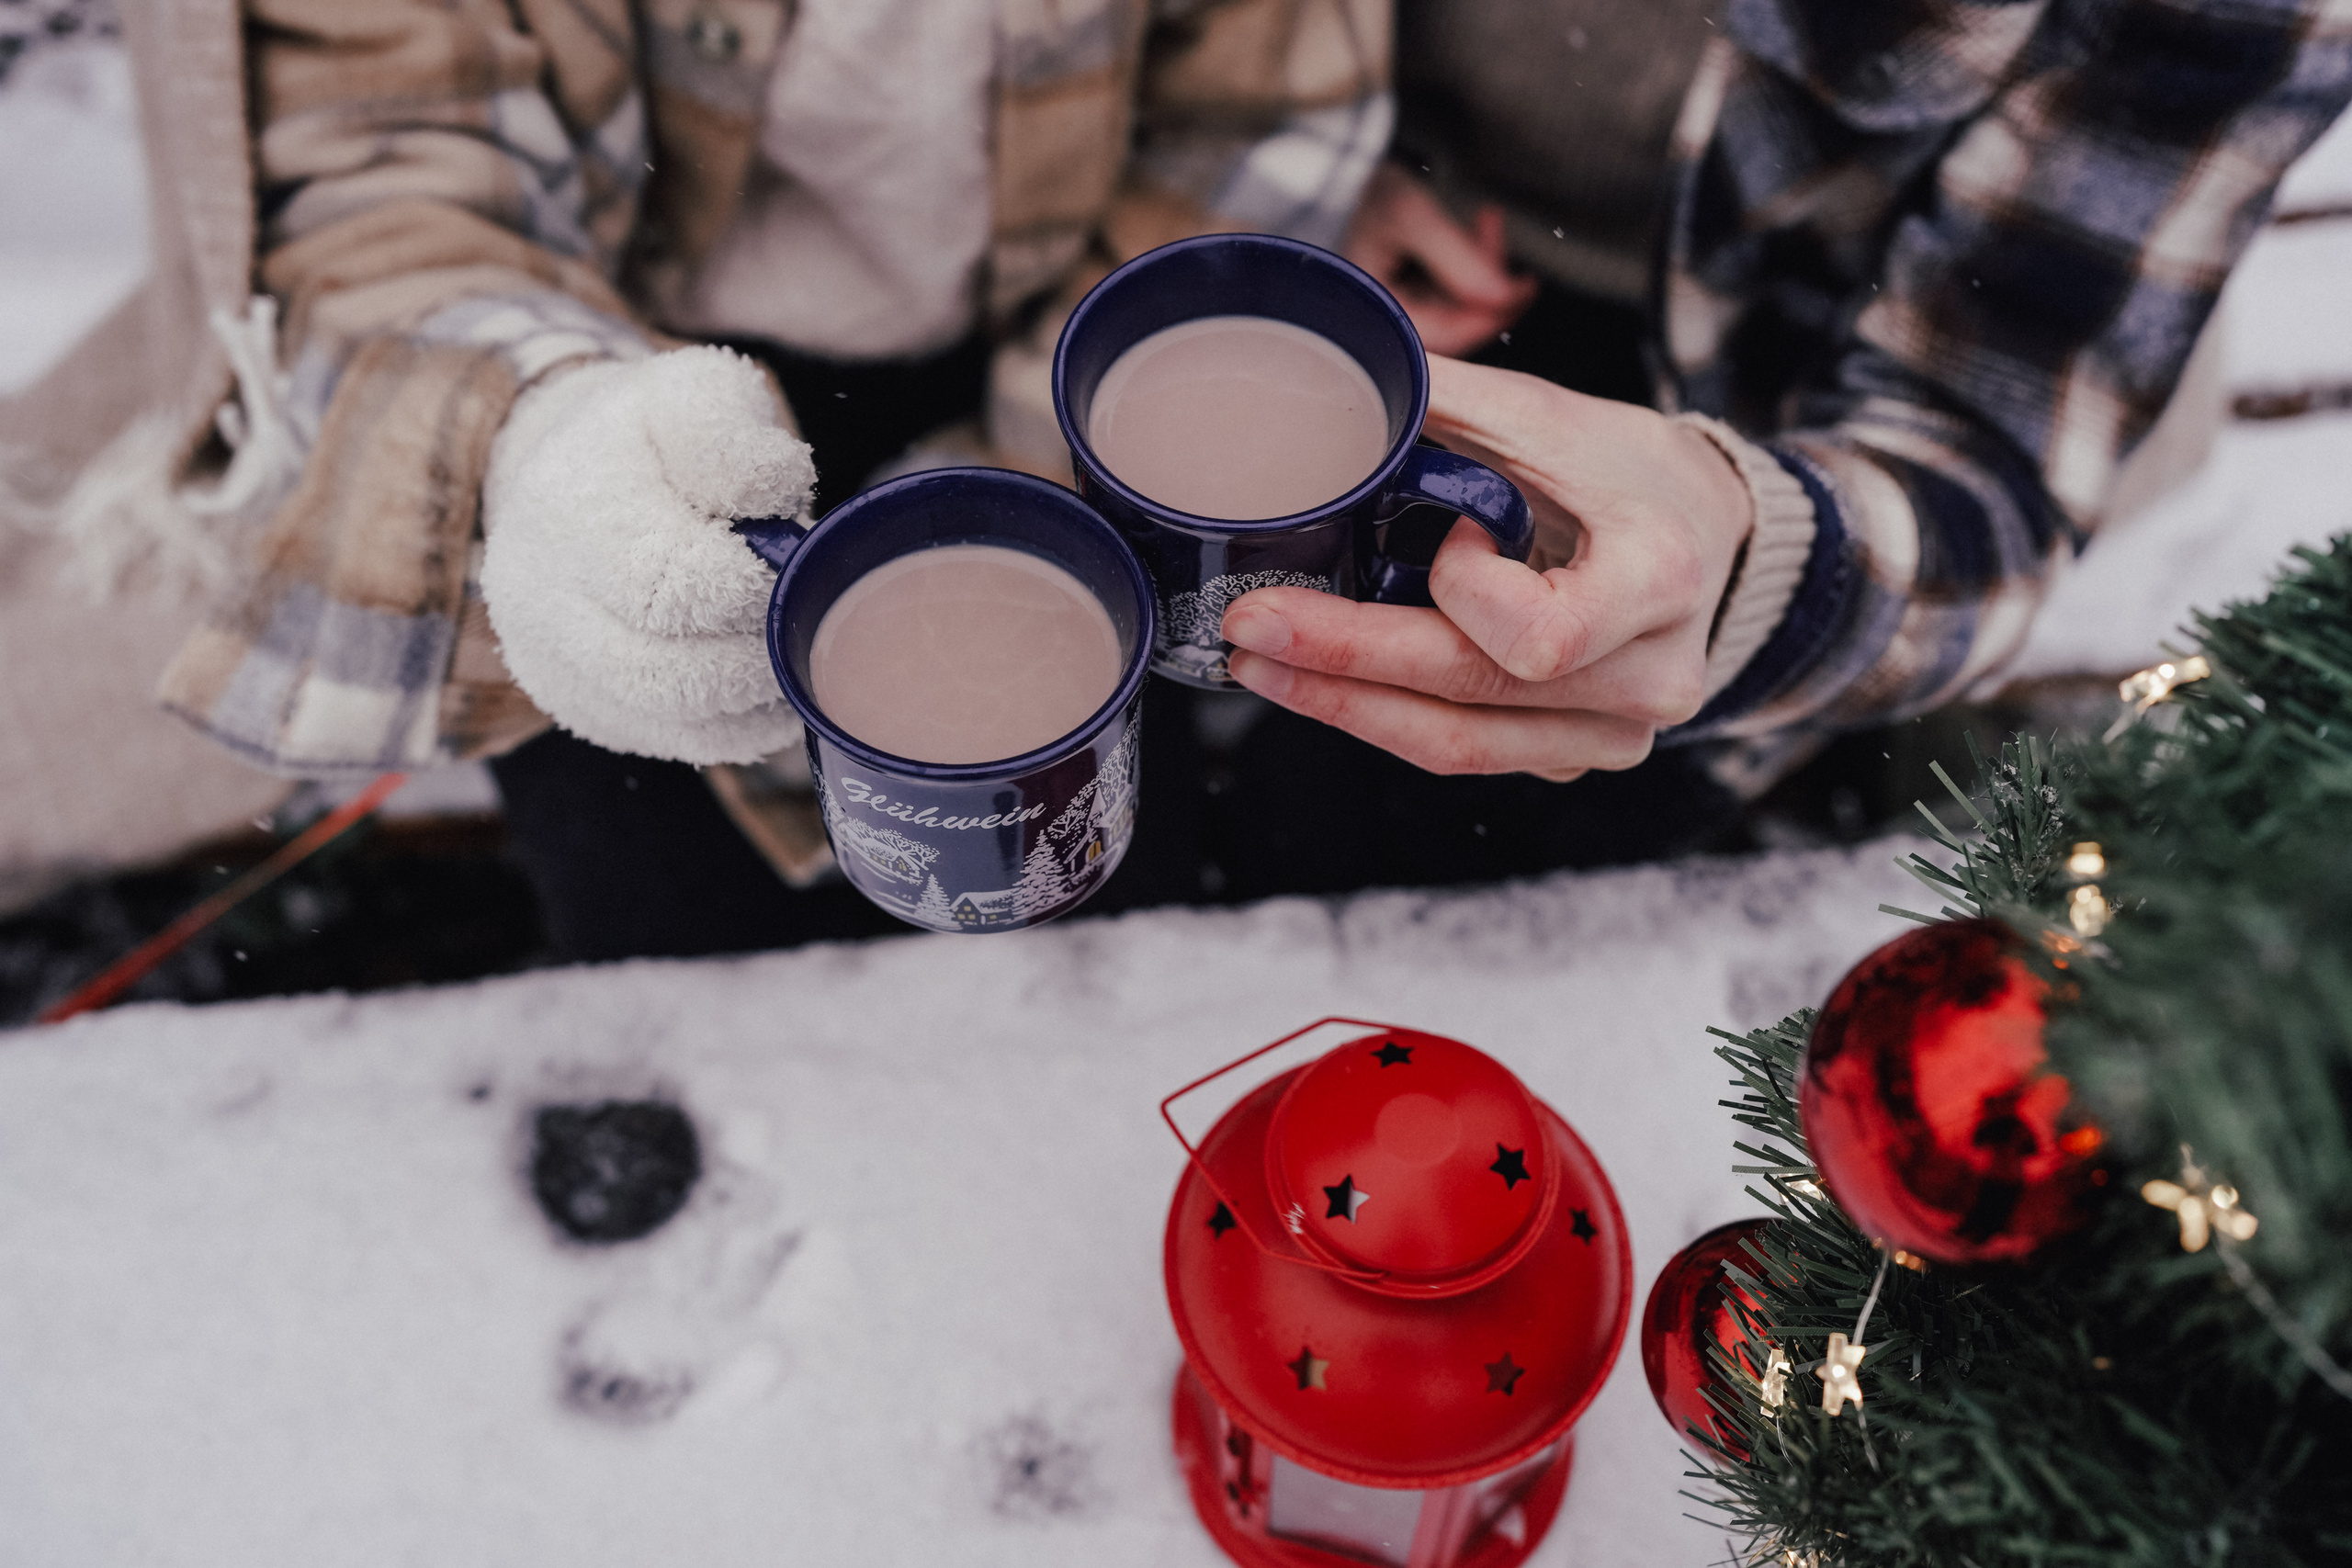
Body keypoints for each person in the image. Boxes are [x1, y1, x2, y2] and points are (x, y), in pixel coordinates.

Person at [12, 0, 2347, 961]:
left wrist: (1752, 559)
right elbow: (377, 151)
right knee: (681, 847)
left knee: (1406, 853)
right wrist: (531, 441)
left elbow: (1974, 444)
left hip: (1583, 372)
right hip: (707, 351)